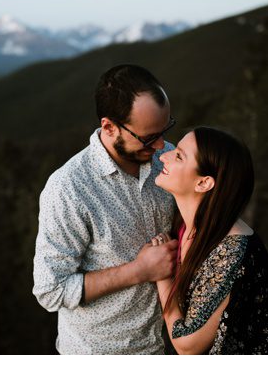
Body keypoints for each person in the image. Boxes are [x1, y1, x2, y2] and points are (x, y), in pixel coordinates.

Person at [32, 64, 180, 354]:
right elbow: (50, 290)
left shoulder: (166, 156)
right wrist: (139, 270)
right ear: (110, 127)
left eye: (165, 130)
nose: (162, 144)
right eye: (149, 138)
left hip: (161, 346)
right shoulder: (68, 188)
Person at [150, 126, 268, 354]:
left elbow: (188, 345)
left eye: (179, 156)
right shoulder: (186, 226)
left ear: (203, 183)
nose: (164, 156)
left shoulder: (231, 251)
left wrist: (163, 278)